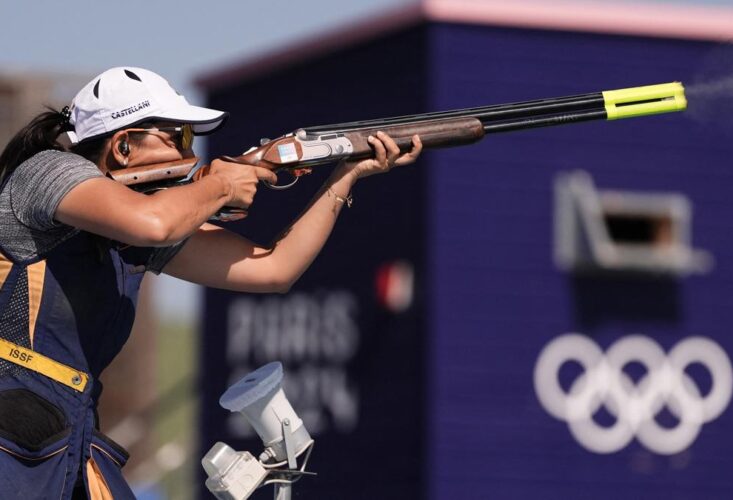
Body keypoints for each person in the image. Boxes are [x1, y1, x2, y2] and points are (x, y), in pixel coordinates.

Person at [0, 66, 422, 499]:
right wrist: (221, 184)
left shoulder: (133, 231)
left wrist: (345, 176)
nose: (189, 150)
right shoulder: (47, 172)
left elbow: (274, 270)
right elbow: (153, 222)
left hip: (65, 436)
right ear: (123, 145)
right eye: (177, 136)